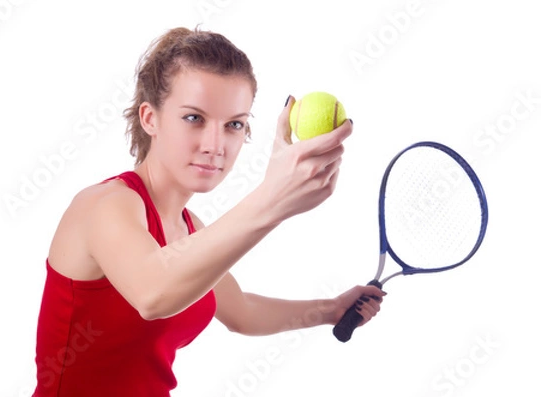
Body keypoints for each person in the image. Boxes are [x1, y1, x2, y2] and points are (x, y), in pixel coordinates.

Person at [32, 26, 384, 397]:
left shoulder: (190, 229)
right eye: (194, 118)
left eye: (234, 125)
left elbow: (241, 311)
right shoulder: (105, 206)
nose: (216, 145)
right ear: (150, 118)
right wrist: (272, 200)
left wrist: (330, 309)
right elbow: (153, 294)